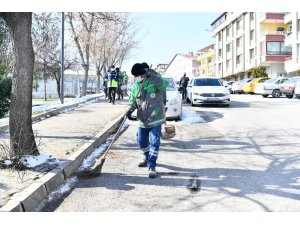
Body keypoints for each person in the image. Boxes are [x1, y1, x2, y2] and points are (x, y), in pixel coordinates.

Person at [125, 63, 168, 178]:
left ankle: (152, 165)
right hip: (143, 119)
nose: (135, 78)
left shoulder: (154, 80)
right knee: (141, 141)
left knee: (154, 142)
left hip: (156, 117)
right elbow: (133, 100)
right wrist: (129, 110)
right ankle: (147, 156)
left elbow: (163, 86)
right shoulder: (136, 86)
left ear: (142, 74)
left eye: (136, 75)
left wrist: (151, 74)